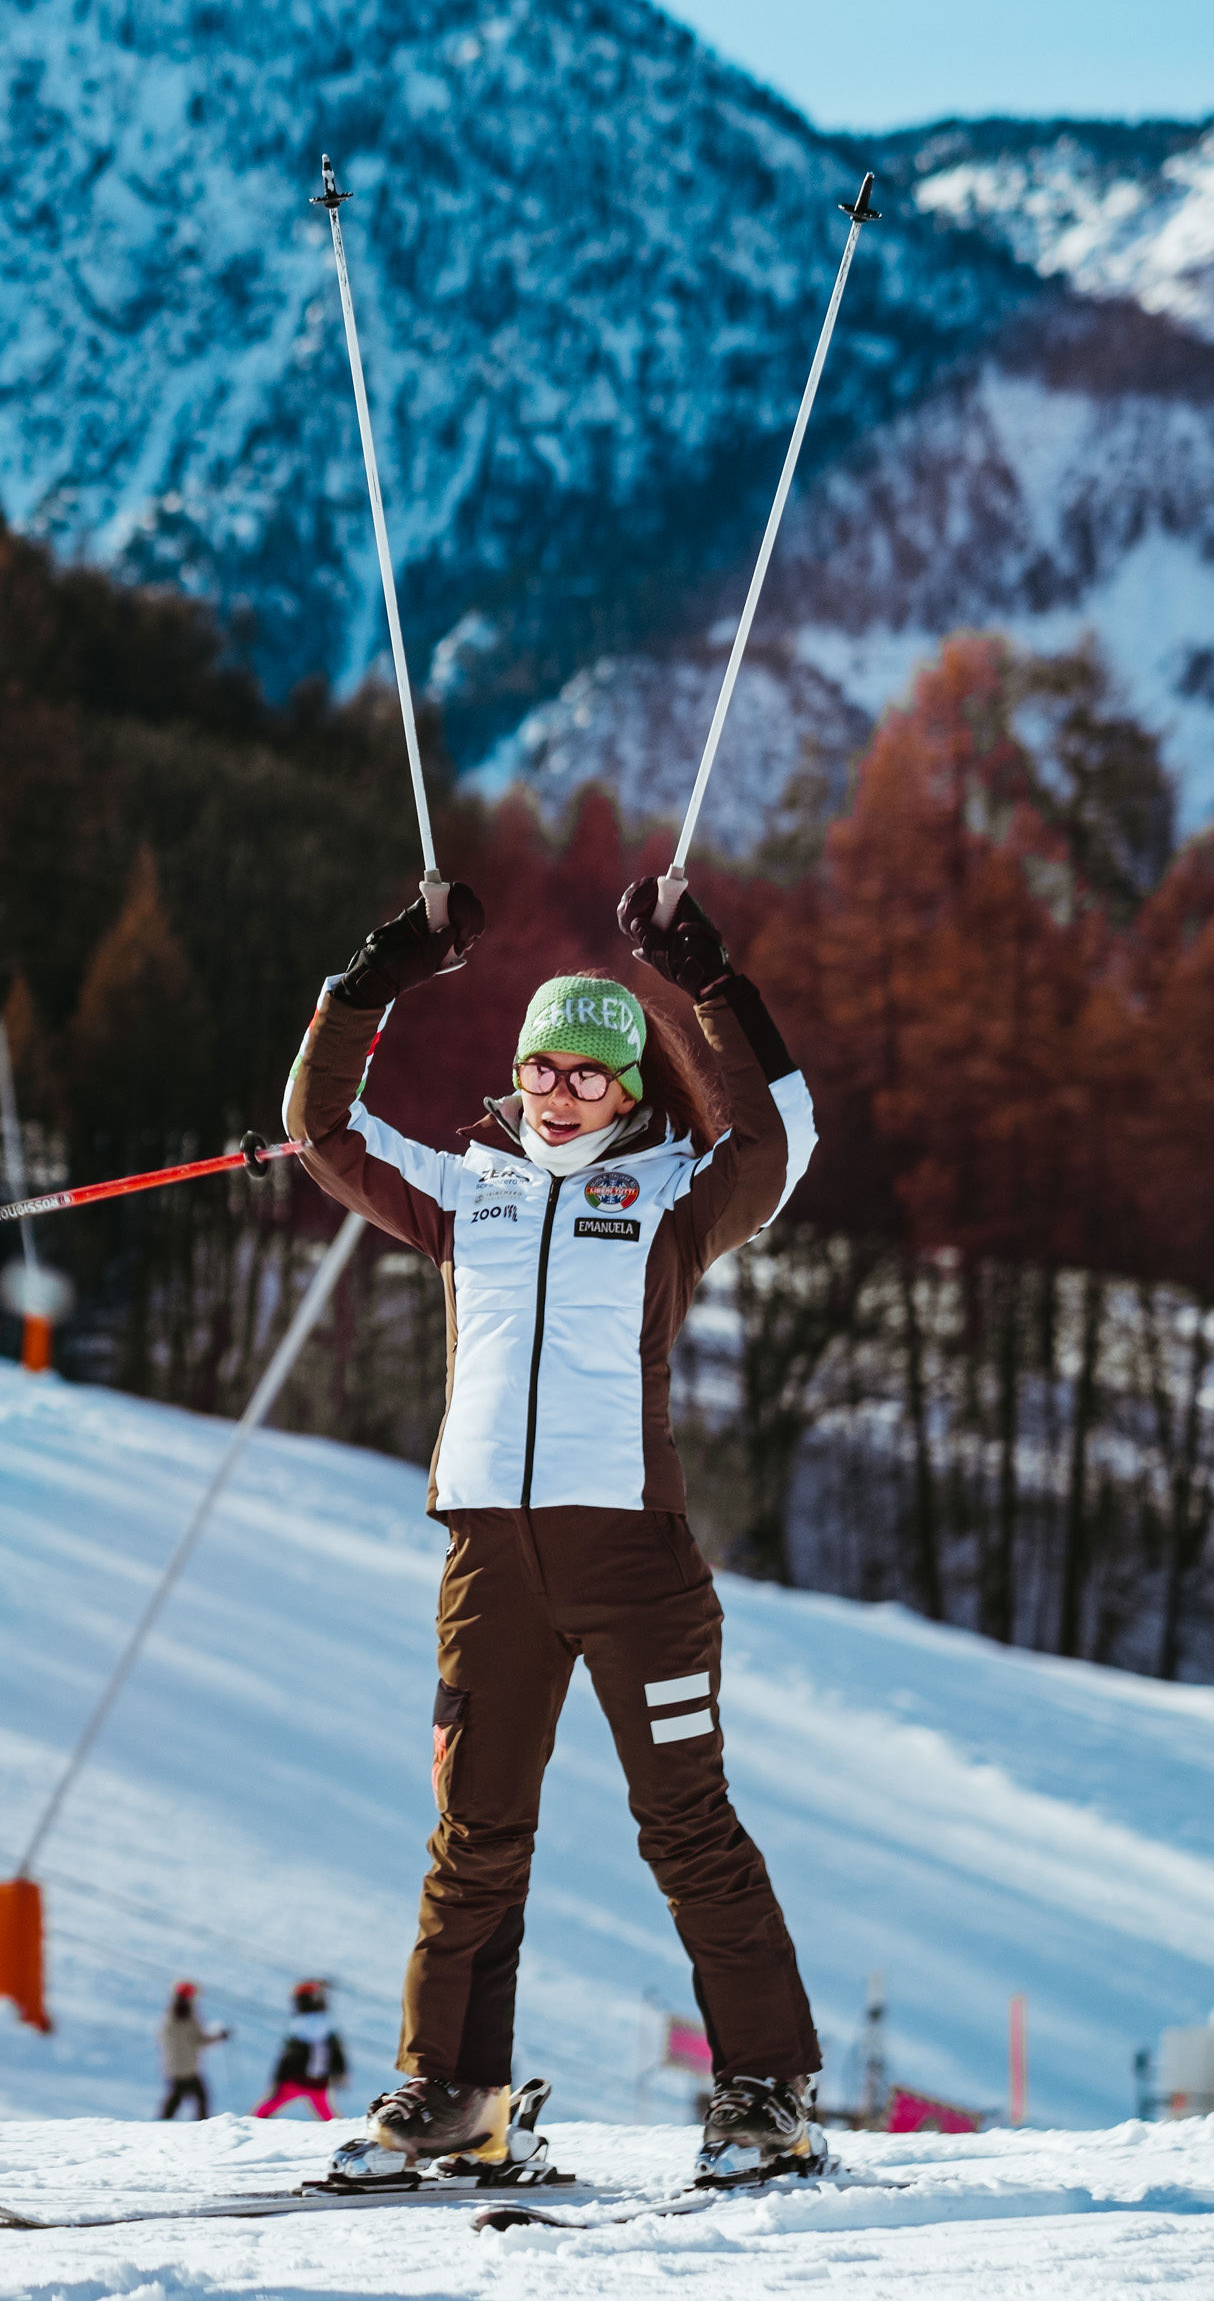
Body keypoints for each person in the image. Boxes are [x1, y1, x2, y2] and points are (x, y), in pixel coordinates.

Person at [282, 874, 831, 2185]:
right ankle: (452, 2091)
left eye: (588, 1073)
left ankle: (767, 2091)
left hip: (633, 1558)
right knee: (475, 1835)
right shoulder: (461, 1193)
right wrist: (380, 975)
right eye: (541, 1066)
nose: (559, 1092)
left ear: (629, 1087)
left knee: (686, 1823)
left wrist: (710, 982)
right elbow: (320, 1127)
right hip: (489, 1563)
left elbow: (784, 1141)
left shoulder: (673, 1199)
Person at [252, 1981, 347, 2119]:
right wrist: (340, 2071)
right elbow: (334, 2050)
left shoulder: (302, 2023)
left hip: (302, 2079)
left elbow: (288, 2055)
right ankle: (255, 2120)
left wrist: (278, 2078)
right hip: (311, 2080)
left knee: (273, 2104)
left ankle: (254, 2120)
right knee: (326, 2114)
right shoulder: (317, 2023)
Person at [158, 1984, 231, 2119]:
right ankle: (203, 2124)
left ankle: (162, 2122)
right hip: (188, 2068)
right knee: (200, 2097)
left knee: (177, 2098)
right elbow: (200, 2040)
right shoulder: (189, 2017)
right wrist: (220, 2036)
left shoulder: (169, 2017)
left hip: (173, 2067)